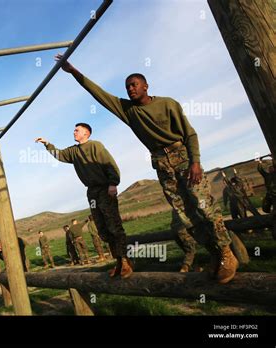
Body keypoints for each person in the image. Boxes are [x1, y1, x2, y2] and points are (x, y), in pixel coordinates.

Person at [56, 54, 238, 284]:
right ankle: (214, 253)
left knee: (204, 207)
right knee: (185, 214)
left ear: (145, 86)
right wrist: (75, 73)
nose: (130, 89)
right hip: (162, 164)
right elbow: (100, 95)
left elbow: (190, 133)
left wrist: (195, 162)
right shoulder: (129, 111)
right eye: (127, 86)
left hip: (182, 158)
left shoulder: (168, 104)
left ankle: (227, 253)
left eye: (134, 85)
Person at [36, 123, 132, 278]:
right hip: (92, 192)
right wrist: (47, 144)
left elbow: (109, 164)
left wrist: (113, 183)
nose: (74, 132)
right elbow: (59, 154)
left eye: (77, 130)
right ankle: (118, 263)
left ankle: (125, 261)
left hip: (105, 188)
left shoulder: (96, 146)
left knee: (114, 225)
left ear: (86, 133)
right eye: (74, 129)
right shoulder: (74, 151)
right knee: (102, 229)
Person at [257, 157, 276, 239]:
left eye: (271, 168)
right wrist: (260, 162)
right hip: (270, 195)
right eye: (269, 168)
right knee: (265, 207)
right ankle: (270, 213)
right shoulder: (267, 175)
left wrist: (272, 159)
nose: (270, 169)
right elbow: (260, 170)